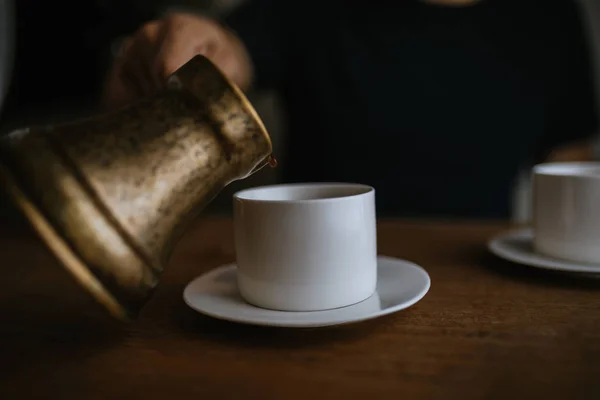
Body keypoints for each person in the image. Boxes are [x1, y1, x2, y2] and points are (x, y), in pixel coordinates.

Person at [102, 0, 599, 219]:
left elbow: (569, 171)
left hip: (480, 284)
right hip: (308, 279)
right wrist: (187, 47)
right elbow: (229, 52)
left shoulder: (550, 16)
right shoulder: (312, 7)